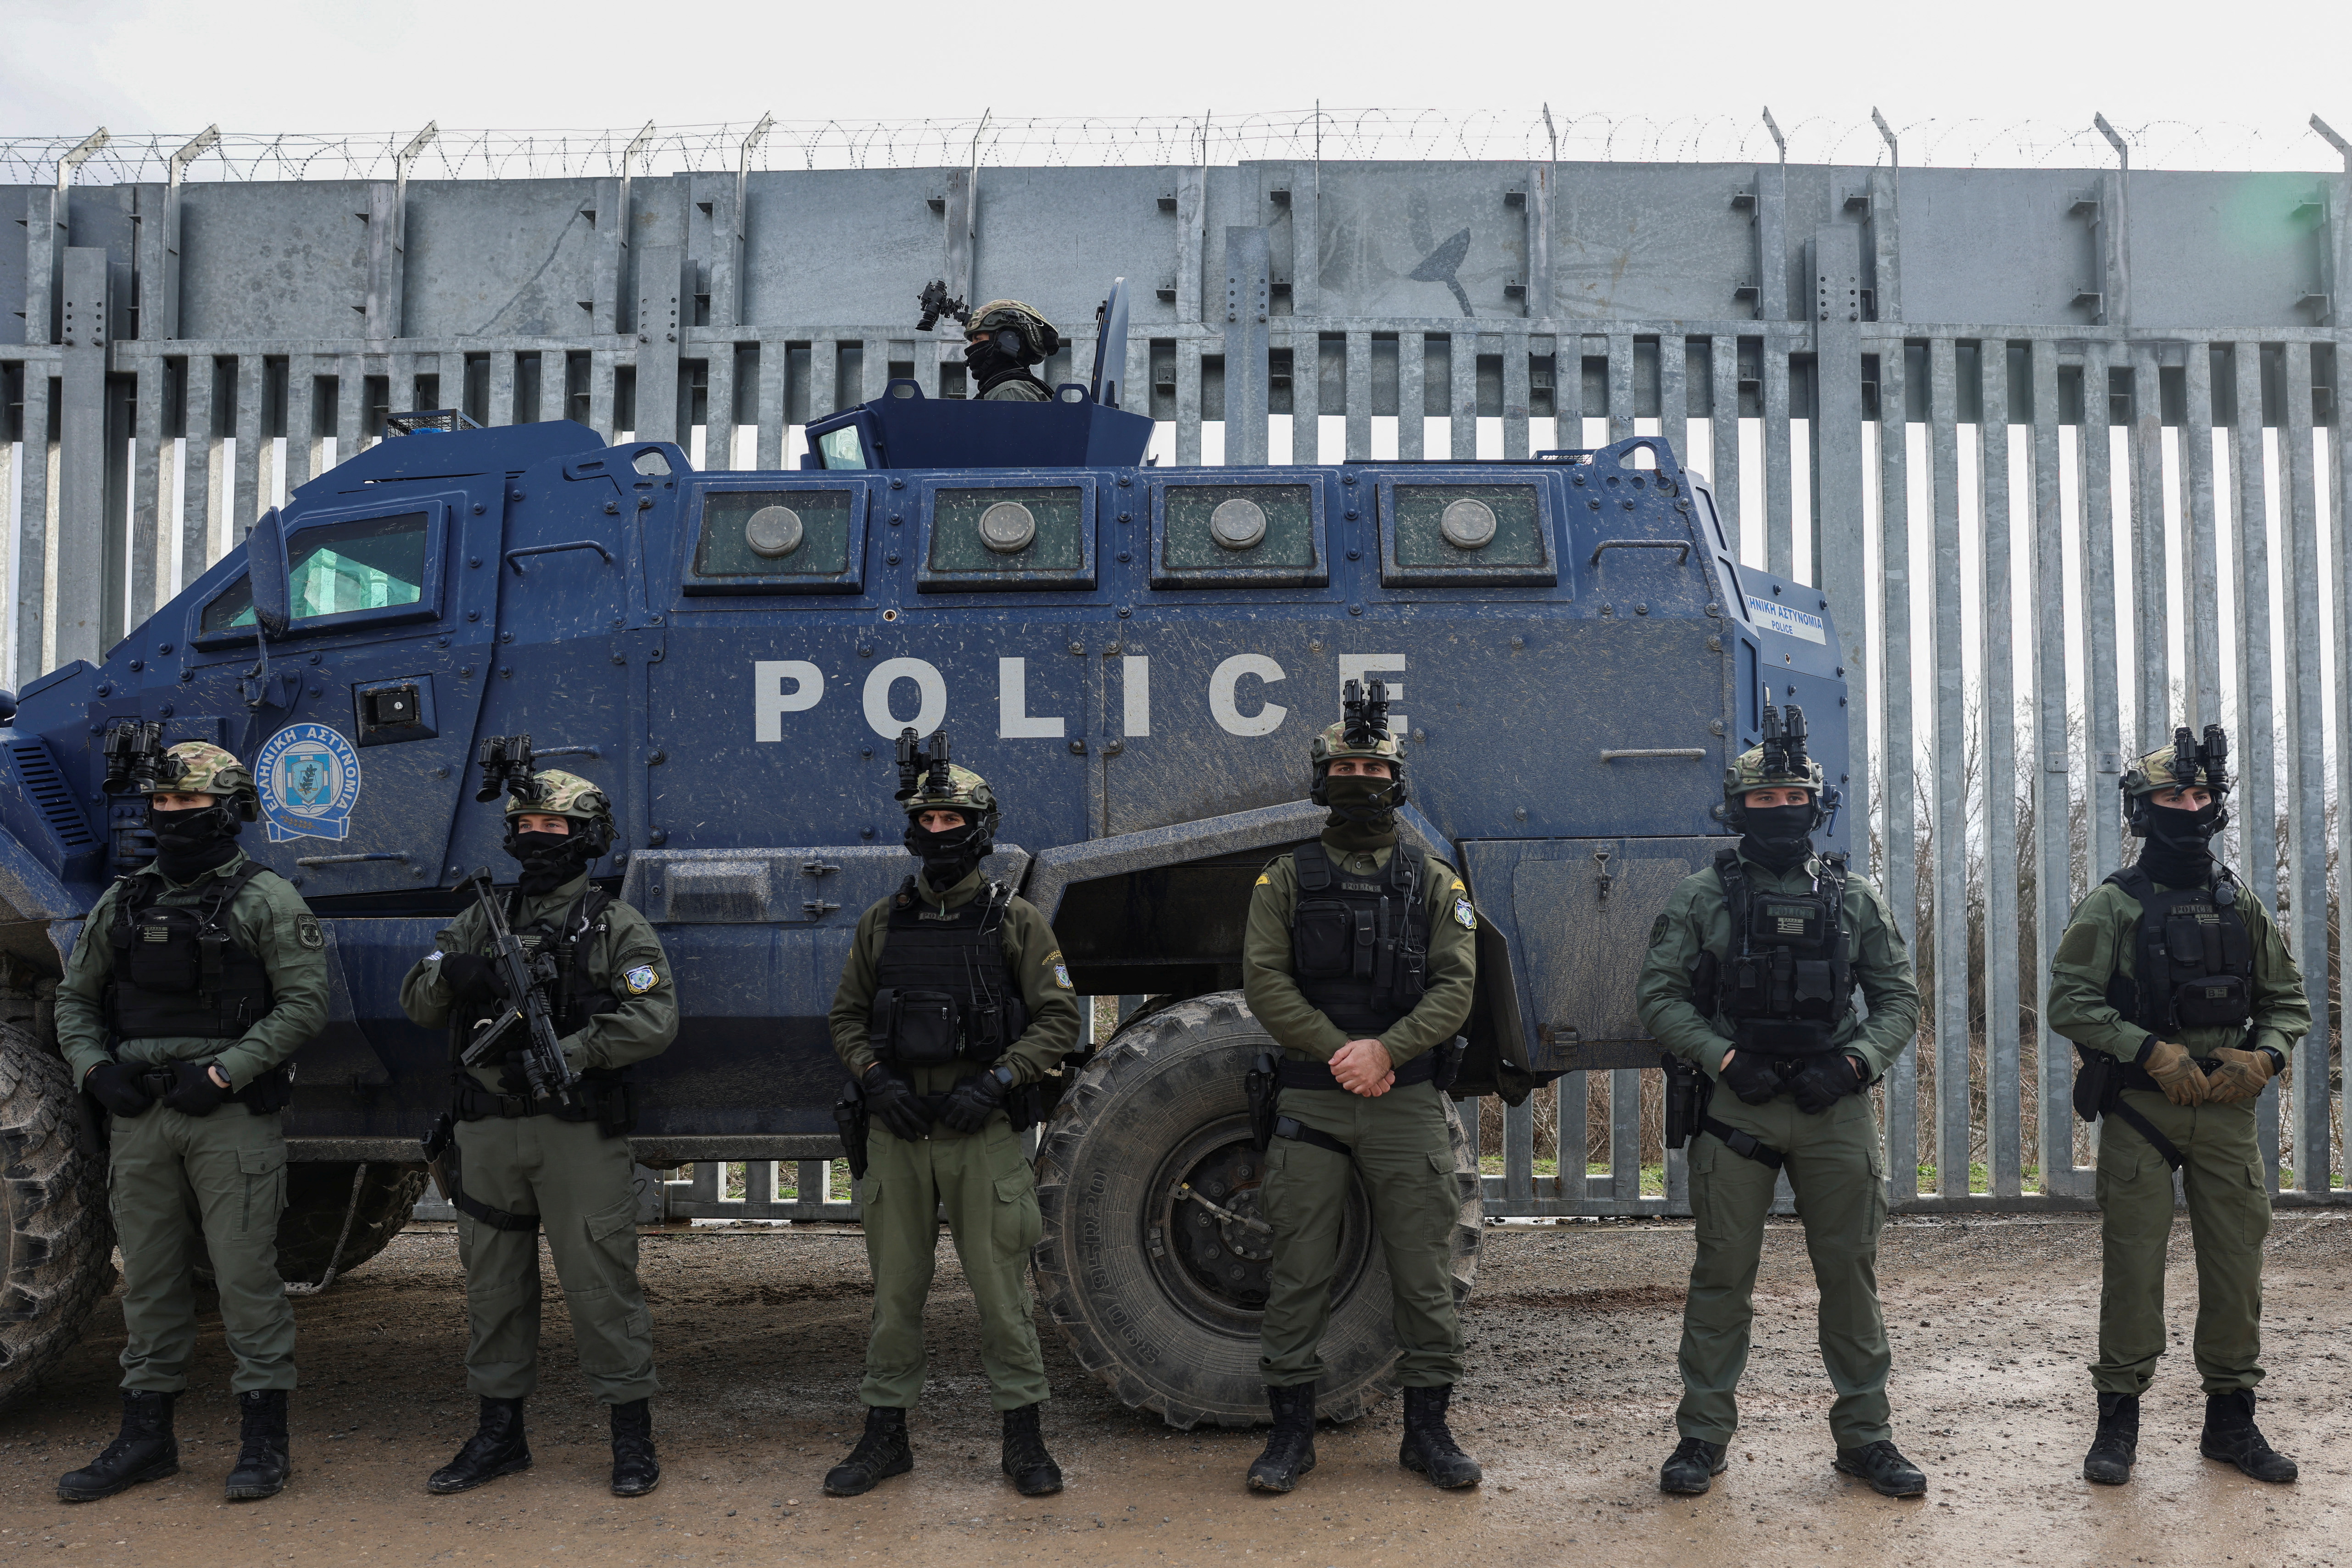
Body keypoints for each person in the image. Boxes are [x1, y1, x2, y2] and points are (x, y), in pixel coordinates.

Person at [1634, 706, 1926, 1500]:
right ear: (1738, 809)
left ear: (1815, 805)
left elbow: (1899, 1000)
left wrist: (1856, 1063)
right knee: (1722, 1274)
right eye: (1763, 801)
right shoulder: (1702, 896)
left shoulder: (1854, 896)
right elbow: (1657, 998)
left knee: (1850, 1276)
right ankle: (1701, 1437)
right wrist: (1724, 1056)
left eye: (1793, 797)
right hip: (1738, 1107)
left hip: (1834, 1105)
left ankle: (1865, 1437)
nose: (1780, 810)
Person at [55, 741, 327, 1504]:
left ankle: (263, 1441)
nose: (171, 817)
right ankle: (147, 1438)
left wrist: (224, 1072)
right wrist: (95, 1071)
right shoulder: (124, 899)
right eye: (163, 804)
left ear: (230, 810)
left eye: (190, 805)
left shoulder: (266, 899)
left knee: (244, 1277)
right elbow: (76, 1001)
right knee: (146, 1279)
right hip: (141, 1115)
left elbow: (305, 1005)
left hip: (229, 1116)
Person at [399, 769, 677, 1498]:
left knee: (600, 1286)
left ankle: (630, 1437)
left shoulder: (613, 924)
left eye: (554, 828)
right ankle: (499, 1437)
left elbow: (654, 1018)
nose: (537, 839)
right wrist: (454, 976)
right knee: (492, 1288)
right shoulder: (478, 919)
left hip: (574, 1132)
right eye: (526, 827)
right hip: (487, 1134)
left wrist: (574, 1052)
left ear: (586, 838)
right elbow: (419, 1000)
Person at [821, 738, 1081, 1500]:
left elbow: (1058, 1016)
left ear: (980, 828)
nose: (939, 829)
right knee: (894, 1294)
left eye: (953, 817)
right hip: (899, 1132)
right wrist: (872, 1078)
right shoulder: (882, 921)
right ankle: (884, 1436)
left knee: (1003, 1295)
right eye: (927, 816)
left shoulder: (1018, 921)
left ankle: (1025, 1438)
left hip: (982, 1131)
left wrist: (1001, 1078)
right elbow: (844, 1016)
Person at [1238, 683, 1481, 1494]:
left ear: (1395, 779)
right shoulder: (1285, 879)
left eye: (1372, 766)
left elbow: (1456, 987)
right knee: (1299, 1269)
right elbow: (1264, 981)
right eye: (1344, 764)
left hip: (1405, 1097)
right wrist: (1342, 1050)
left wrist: (1387, 1051)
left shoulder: (1433, 880)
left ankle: (1428, 1433)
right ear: (1321, 778)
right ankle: (1291, 1438)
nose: (1359, 777)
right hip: (1313, 1098)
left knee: (1423, 1271)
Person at [2048, 727, 2306, 1487]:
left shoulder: (2240, 902)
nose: (2190, 807)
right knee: (2132, 1266)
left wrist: (2267, 1055)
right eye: (2174, 796)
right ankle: (2117, 1421)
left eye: (2201, 796)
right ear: (2144, 808)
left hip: (2226, 1111)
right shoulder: (2114, 904)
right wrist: (2144, 1048)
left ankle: (2231, 1419)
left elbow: (2287, 1000)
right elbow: (2069, 997)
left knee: (2235, 1267)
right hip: (2142, 1111)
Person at [963, 300, 1060, 402]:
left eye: (978, 339)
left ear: (1009, 340)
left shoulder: (1009, 391)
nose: (971, 347)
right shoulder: (1009, 389)